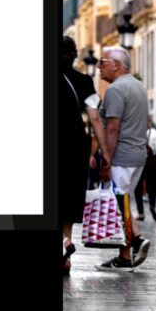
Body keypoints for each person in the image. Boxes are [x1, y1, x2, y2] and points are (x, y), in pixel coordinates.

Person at [95, 46, 151, 272]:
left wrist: (106, 160)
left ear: (116, 65)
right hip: (137, 154)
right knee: (122, 201)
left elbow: (113, 129)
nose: (98, 66)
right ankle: (124, 256)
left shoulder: (116, 90)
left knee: (118, 203)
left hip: (122, 157)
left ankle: (137, 239)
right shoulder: (139, 86)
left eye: (103, 61)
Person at [58, 36, 108, 272]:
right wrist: (104, 152)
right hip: (76, 144)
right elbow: (95, 117)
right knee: (68, 195)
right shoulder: (83, 80)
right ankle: (65, 246)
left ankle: (61, 243)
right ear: (74, 55)